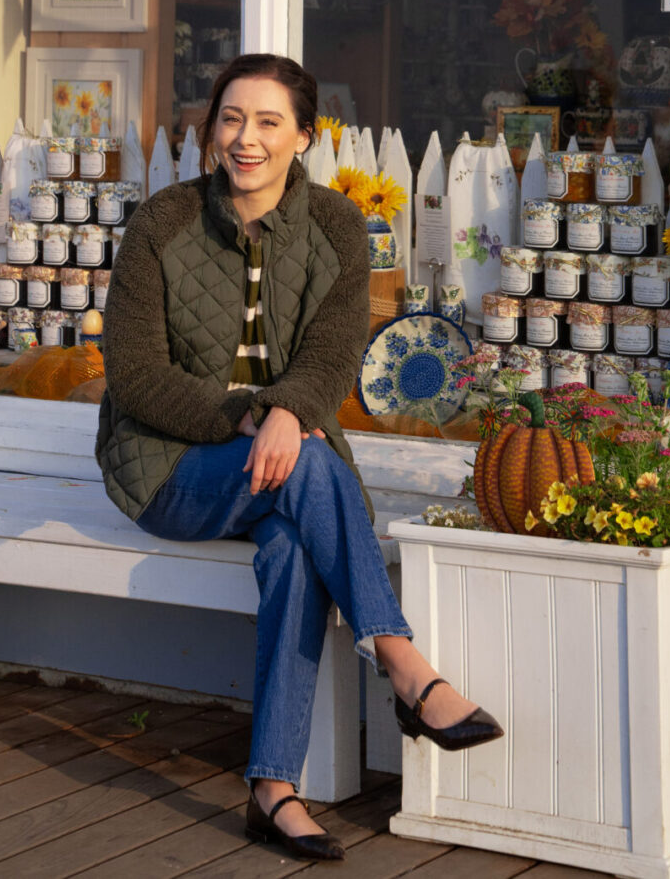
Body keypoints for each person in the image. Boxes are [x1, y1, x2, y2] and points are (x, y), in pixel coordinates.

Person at [97, 54, 501, 862]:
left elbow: (331, 354)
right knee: (312, 469)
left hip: (286, 466)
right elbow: (135, 375)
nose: (245, 139)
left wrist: (290, 410)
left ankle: (272, 790)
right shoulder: (161, 224)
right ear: (213, 129)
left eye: (268, 122)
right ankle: (405, 665)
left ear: (303, 137)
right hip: (169, 466)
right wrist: (257, 415)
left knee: (292, 550)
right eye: (232, 119)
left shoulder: (338, 227)